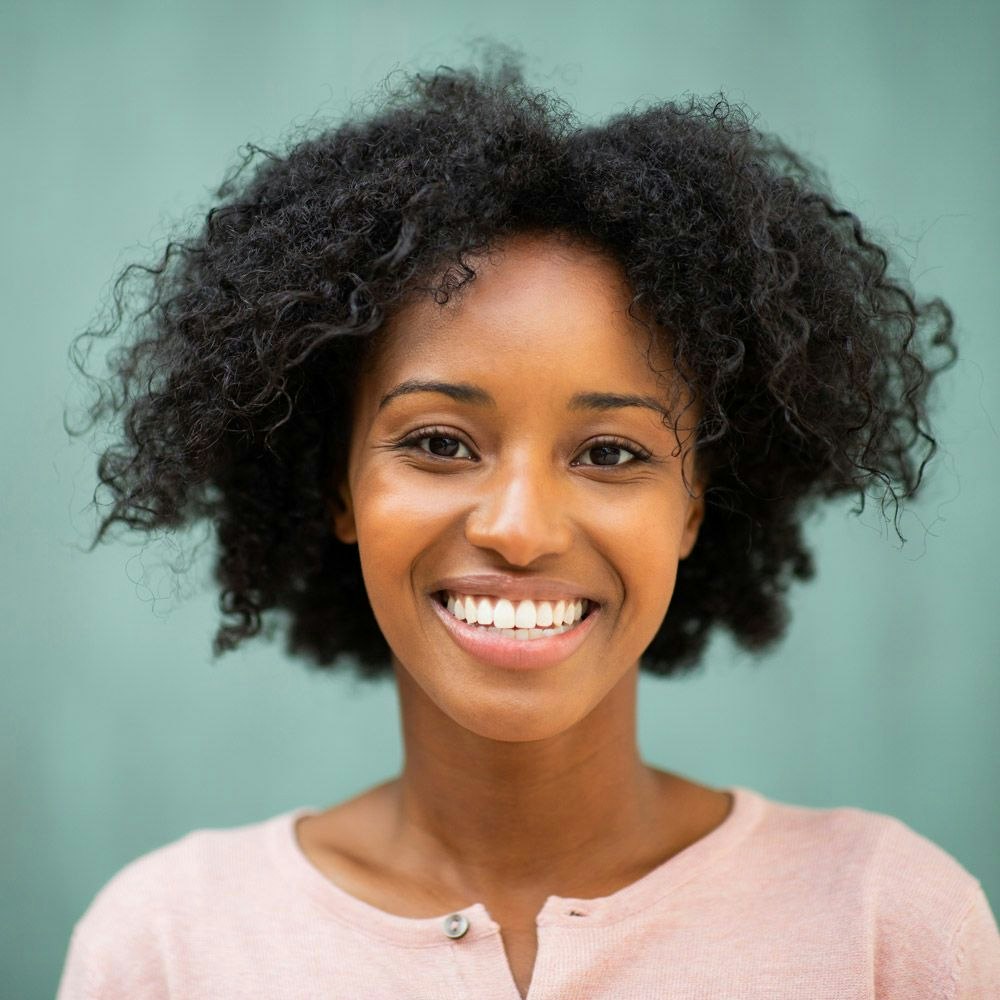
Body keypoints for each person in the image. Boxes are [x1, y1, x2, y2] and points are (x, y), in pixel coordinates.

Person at [58, 61, 999, 998]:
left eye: (613, 453)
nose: (518, 528)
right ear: (337, 484)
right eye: (437, 441)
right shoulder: (169, 944)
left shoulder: (887, 925)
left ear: (696, 507)